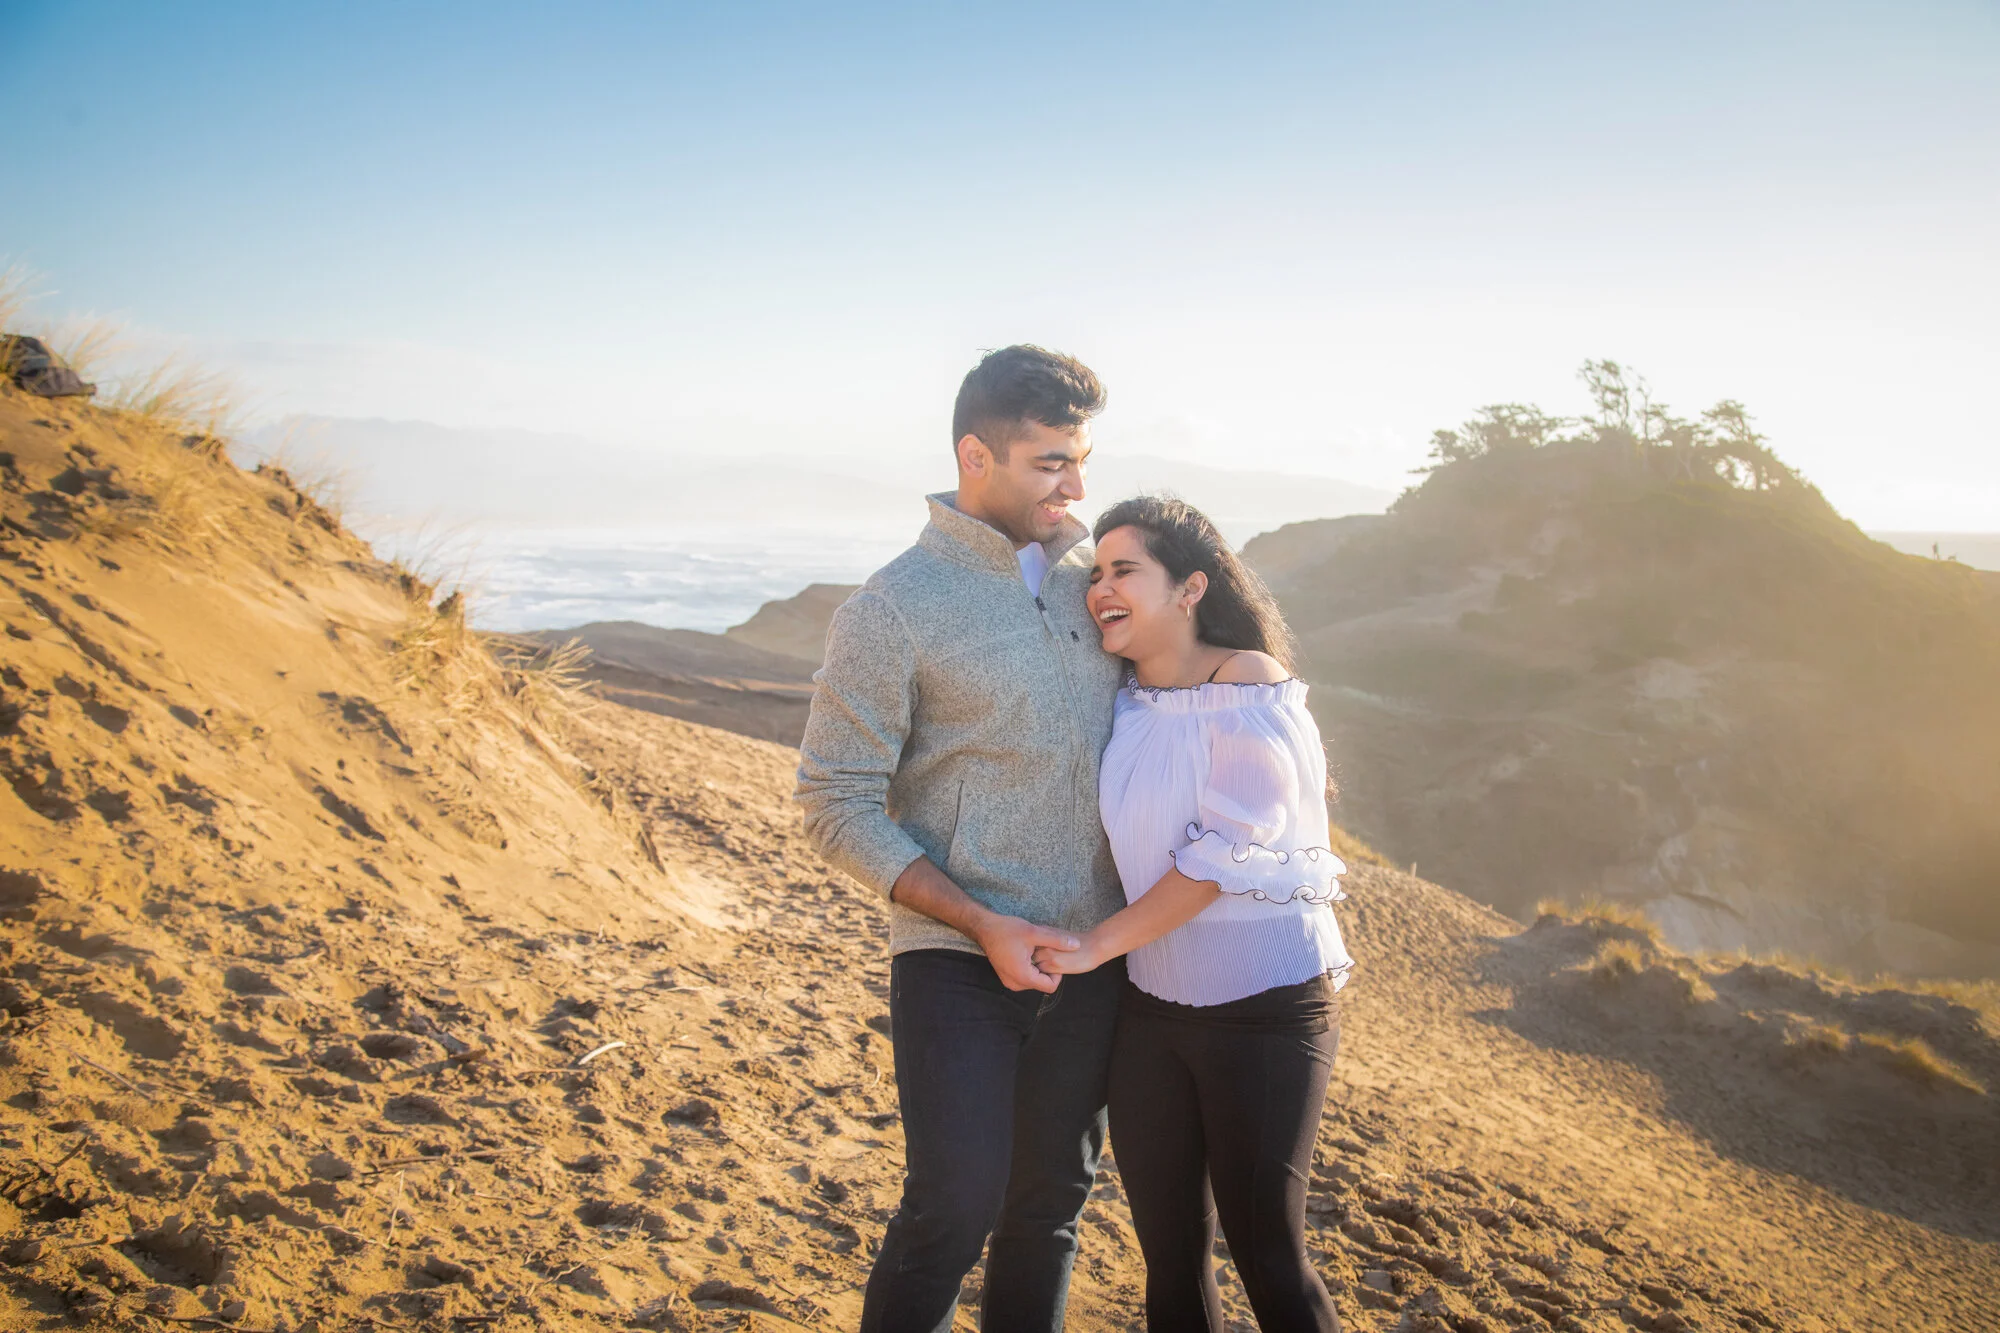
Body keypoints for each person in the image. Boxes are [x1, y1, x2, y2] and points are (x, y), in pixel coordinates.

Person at [795, 345, 1127, 1333]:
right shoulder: (892, 607)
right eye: (1049, 464)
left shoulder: (1097, 579)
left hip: (1092, 961)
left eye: (1081, 459)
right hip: (954, 961)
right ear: (973, 456)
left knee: (1048, 1211)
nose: (1075, 487)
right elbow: (831, 802)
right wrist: (979, 919)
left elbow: (1187, 677)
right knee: (954, 1206)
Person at [1036, 495, 1355, 1332]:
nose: (1100, 587)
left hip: (1265, 1006)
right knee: (1171, 1258)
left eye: (1124, 570)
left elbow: (1217, 855)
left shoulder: (1246, 681)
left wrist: (1093, 946)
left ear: (1190, 588)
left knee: (1268, 1256)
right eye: (1095, 572)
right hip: (1152, 1008)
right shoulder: (1125, 699)